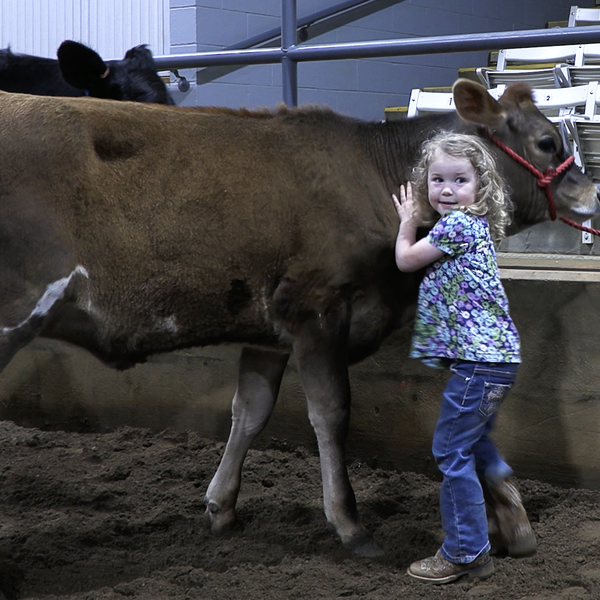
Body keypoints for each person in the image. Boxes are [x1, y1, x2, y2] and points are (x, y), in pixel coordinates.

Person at [392, 131, 537, 585]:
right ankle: (506, 503)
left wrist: (407, 221)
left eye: (460, 180)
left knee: (449, 450)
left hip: (479, 366)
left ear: (481, 189)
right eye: (437, 180)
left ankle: (465, 551)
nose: (448, 190)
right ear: (425, 183)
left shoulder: (455, 226)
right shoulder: (473, 229)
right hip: (497, 363)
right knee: (473, 443)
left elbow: (406, 261)